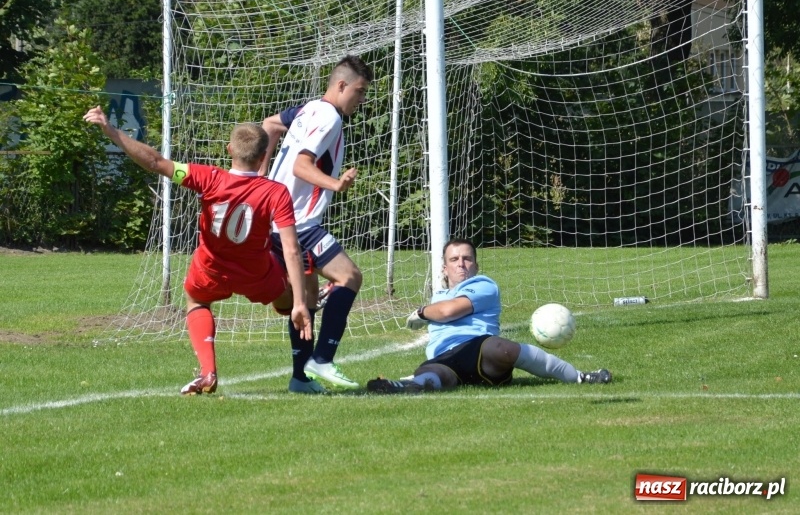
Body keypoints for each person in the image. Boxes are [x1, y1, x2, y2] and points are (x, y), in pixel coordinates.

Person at [83, 106, 312, 395]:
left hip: (211, 269)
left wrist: (110, 129)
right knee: (294, 293)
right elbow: (292, 249)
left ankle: (207, 372)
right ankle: (296, 328)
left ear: (230, 149)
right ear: (264, 155)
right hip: (257, 273)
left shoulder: (208, 178)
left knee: (195, 301)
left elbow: (155, 162)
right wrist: (301, 302)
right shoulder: (275, 191)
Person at [260, 55, 373, 394]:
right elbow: (300, 166)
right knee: (349, 277)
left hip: (278, 219)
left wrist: (262, 176)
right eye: (360, 91)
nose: (361, 99)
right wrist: (336, 183)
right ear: (341, 85)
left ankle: (300, 378)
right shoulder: (330, 119)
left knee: (306, 295)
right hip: (299, 221)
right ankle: (322, 358)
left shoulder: (308, 109)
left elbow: (269, 124)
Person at [367, 238, 612, 393]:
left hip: (479, 350)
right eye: (454, 259)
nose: (461, 263)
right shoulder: (438, 295)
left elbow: (449, 311)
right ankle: (403, 386)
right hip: (445, 356)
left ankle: (579, 377)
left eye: (467, 258)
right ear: (444, 267)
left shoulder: (485, 285)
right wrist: (429, 311)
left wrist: (422, 313)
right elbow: (441, 308)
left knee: (500, 347)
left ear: (476, 265)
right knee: (433, 376)